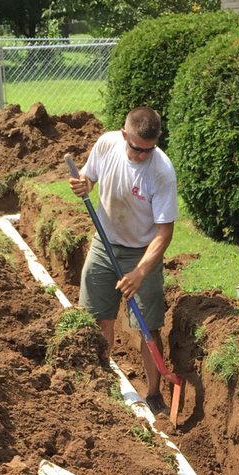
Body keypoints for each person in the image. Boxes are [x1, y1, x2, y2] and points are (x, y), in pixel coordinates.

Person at [68, 106, 178, 413]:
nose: (142, 155)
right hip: (104, 243)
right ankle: (99, 382)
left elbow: (164, 233)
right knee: (97, 317)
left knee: (148, 326)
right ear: (123, 134)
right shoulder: (106, 145)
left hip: (142, 252)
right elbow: (88, 177)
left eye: (149, 150)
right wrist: (84, 185)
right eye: (136, 148)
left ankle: (154, 393)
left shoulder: (162, 171)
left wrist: (141, 271)